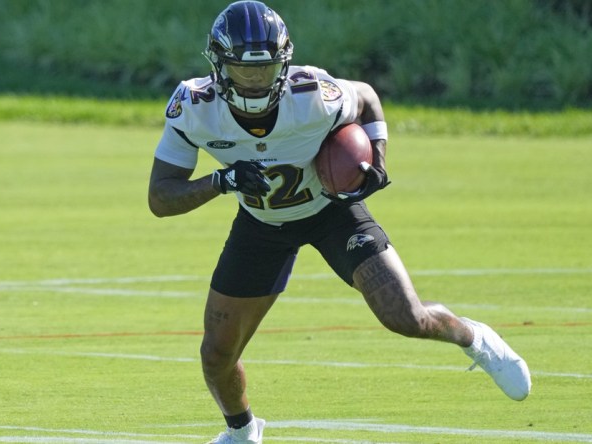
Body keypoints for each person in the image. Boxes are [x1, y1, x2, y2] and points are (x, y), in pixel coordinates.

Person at [147, 2, 531, 442]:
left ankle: (473, 338)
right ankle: (242, 432)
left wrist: (378, 156)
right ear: (218, 64)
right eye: (242, 70)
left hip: (332, 212)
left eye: (266, 70)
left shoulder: (313, 95)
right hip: (261, 223)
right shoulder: (193, 105)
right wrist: (221, 180)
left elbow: (365, 96)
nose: (255, 81)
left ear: (284, 63)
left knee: (405, 317)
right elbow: (161, 197)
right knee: (216, 353)